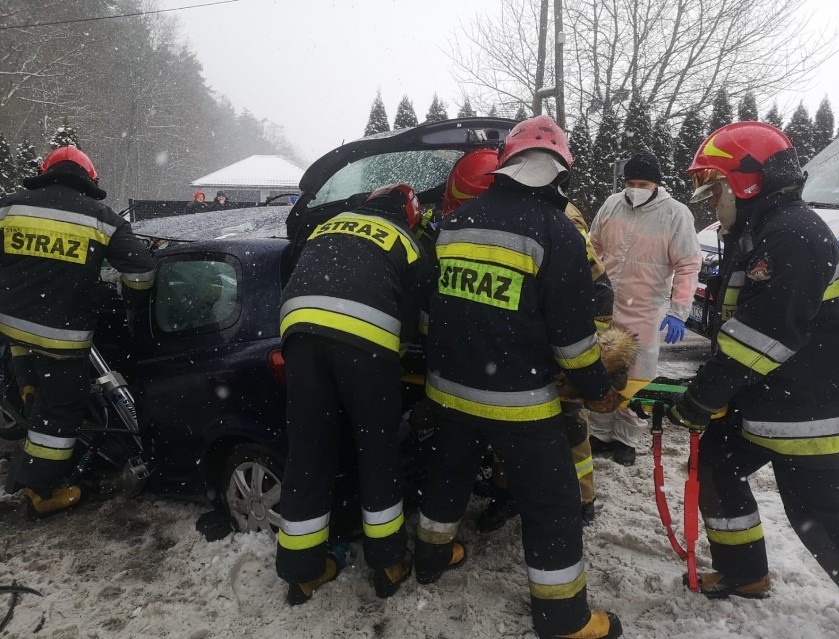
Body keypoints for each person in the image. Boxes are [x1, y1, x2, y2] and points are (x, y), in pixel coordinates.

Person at [416, 115, 623, 639]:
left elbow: (429, 314)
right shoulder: (557, 232)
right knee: (552, 506)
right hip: (522, 404)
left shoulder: (456, 223)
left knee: (447, 479)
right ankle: (564, 619)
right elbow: (575, 342)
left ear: (506, 165)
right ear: (560, 175)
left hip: (448, 392)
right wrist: (599, 390)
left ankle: (431, 559)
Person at [667, 122, 839, 601]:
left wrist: (703, 399)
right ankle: (744, 571)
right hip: (768, 398)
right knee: (715, 466)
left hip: (809, 411)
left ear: (743, 183)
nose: (712, 203)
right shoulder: (760, 229)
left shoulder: (791, 234)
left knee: (822, 524)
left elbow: (762, 334)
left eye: (716, 190)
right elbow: (738, 319)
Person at [275, 183, 433, 605]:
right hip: (364, 342)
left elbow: (296, 274)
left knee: (307, 453)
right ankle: (387, 562)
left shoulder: (326, 226)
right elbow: (414, 322)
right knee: (378, 452)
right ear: (411, 216)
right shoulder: (410, 244)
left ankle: (301, 573)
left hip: (299, 333)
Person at [0, 145, 155, 518]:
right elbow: (142, 272)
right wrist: (132, 305)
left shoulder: (8, 206)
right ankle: (40, 490)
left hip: (10, 326)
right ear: (90, 179)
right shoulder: (102, 218)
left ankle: (27, 390)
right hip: (60, 337)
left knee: (33, 375)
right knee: (61, 409)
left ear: (46, 172)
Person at [588, 149, 701, 465]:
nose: (635, 188)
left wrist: (679, 311)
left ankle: (627, 438)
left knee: (637, 377)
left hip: (645, 310)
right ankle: (599, 432)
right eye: (631, 182)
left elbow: (688, 264)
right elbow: (592, 245)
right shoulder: (612, 204)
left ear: (656, 184)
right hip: (604, 306)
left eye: (643, 183)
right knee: (599, 372)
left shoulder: (675, 214)